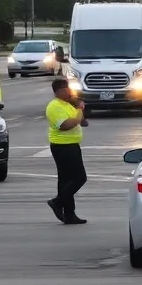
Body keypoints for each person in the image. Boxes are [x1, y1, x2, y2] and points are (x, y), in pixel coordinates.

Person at [45, 78, 88, 225]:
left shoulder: (67, 104)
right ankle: (57, 202)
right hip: (62, 146)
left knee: (66, 181)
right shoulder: (54, 107)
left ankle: (69, 214)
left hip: (72, 145)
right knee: (79, 178)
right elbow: (66, 125)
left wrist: (78, 108)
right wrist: (79, 111)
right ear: (59, 91)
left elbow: (82, 122)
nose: (70, 91)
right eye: (67, 89)